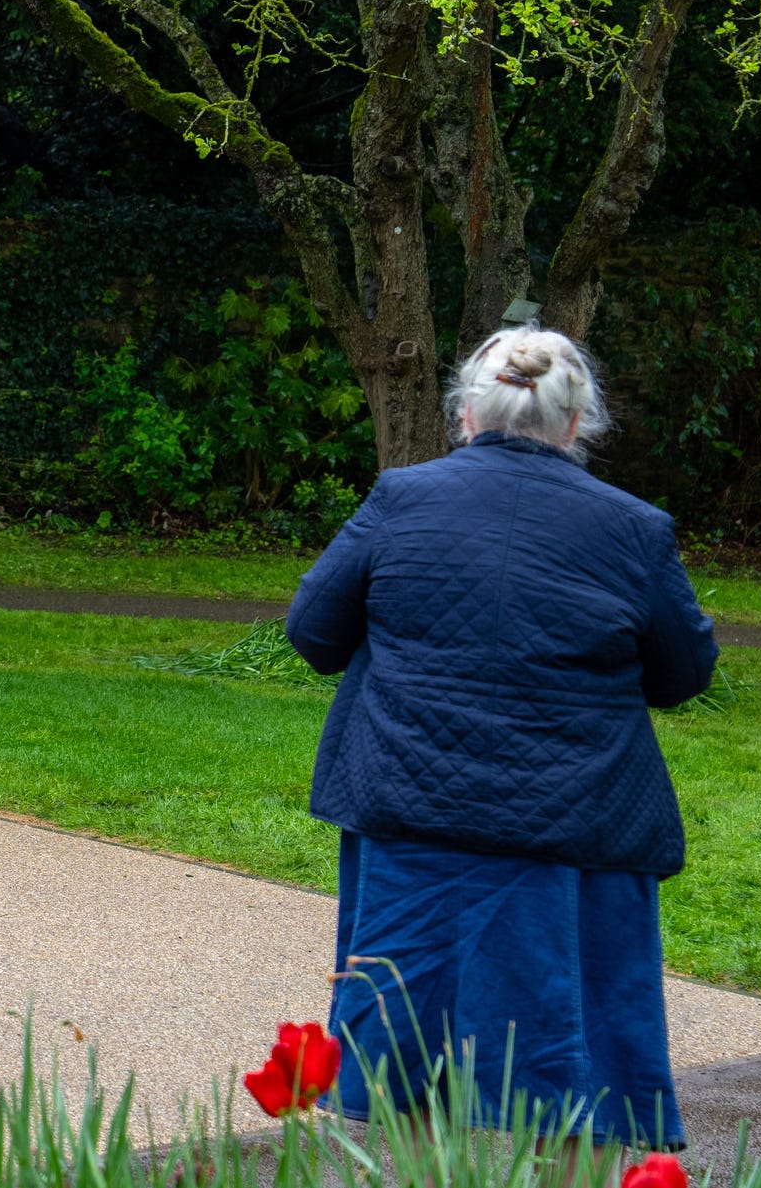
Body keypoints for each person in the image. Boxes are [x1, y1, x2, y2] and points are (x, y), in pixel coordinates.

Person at [290, 325, 718, 1145]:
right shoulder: (636, 530)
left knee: (400, 1072)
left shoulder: (401, 498)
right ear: (576, 421)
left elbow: (313, 634)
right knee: (571, 1082)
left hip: (413, 817)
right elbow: (682, 674)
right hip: (575, 831)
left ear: (466, 413)